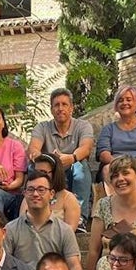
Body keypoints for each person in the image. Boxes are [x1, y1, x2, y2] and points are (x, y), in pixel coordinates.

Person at [28, 87, 95, 224]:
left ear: (71, 108)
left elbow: (86, 148)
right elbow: (33, 149)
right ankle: (33, 214)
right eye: (56, 105)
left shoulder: (83, 125)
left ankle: (80, 218)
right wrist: (49, 161)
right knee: (32, 167)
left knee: (81, 166)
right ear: (51, 109)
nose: (60, 108)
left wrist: (71, 158)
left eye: (64, 104)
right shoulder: (42, 127)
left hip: (71, 168)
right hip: (49, 170)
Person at [4, 169, 83, 270]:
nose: (35, 194)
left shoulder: (64, 230)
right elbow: (4, 267)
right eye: (30, 190)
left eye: (41, 190)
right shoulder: (10, 229)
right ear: (24, 193)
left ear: (51, 194)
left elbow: (74, 266)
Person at [96, 86, 136, 191]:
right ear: (116, 106)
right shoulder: (108, 129)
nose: (125, 103)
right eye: (120, 100)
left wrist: (133, 166)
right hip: (115, 164)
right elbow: (103, 154)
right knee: (107, 169)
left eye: (129, 100)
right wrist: (118, 165)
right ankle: (115, 206)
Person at [24, 152, 83, 231]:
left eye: (43, 172)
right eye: (36, 172)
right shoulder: (29, 196)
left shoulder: (68, 198)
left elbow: (70, 230)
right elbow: (22, 225)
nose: (39, 175)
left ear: (55, 173)